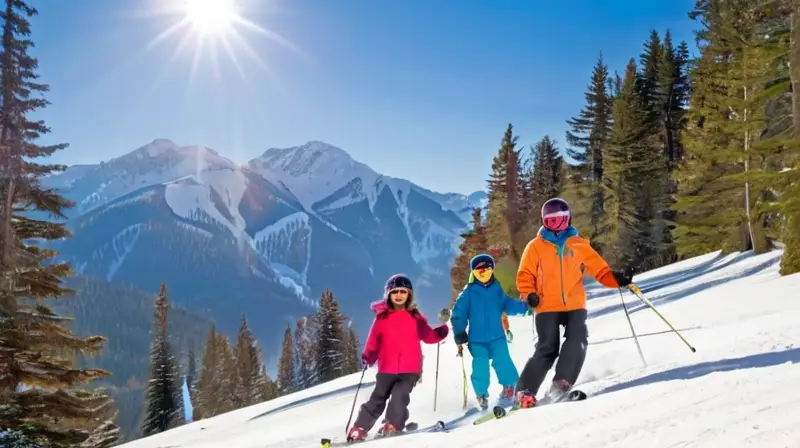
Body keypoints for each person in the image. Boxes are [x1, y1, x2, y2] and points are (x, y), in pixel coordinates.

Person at [514, 197, 632, 408]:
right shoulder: (535, 247)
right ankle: (525, 391)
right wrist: (529, 293)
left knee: (577, 339)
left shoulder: (579, 245)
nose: (556, 227)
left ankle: (562, 382)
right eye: (550, 222)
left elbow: (601, 270)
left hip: (574, 304)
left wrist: (617, 279)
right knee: (547, 348)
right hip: (546, 305)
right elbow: (525, 275)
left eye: (560, 221)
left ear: (568, 220)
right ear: (544, 222)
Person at [347, 274, 449, 441]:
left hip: (410, 369)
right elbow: (373, 341)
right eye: (395, 292)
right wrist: (368, 356)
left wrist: (440, 332)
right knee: (377, 398)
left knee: (400, 396)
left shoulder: (415, 317)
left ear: (409, 294)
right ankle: (359, 427)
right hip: (386, 368)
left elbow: (428, 335)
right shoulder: (382, 318)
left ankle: (393, 424)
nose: (399, 295)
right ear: (388, 294)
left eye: (403, 291)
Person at [448, 253, 530, 410]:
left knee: (503, 361)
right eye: (478, 268)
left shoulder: (496, 289)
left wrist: (525, 307)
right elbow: (458, 313)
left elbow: (508, 304)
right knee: (480, 366)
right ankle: (481, 394)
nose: (483, 270)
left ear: (492, 269)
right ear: (473, 272)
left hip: (497, 337)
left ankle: (509, 388)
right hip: (477, 340)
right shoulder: (468, 293)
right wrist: (459, 332)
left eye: (486, 267)